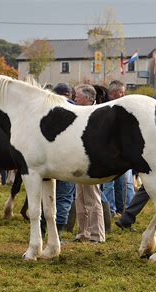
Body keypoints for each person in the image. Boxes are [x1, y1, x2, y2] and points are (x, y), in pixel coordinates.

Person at [115, 77, 156, 230]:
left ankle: (128, 217)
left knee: (151, 185)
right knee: (155, 184)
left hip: (154, 150)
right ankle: (130, 217)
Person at [41, 83, 76, 239]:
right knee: (64, 197)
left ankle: (42, 231)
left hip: (47, 160)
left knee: (45, 196)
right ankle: (59, 232)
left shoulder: (44, 109)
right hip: (68, 160)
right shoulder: (74, 108)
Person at [73, 84, 105, 243]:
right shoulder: (78, 111)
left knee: (92, 198)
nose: (74, 99)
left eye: (77, 97)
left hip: (92, 161)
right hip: (78, 160)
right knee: (79, 199)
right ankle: (82, 233)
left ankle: (97, 235)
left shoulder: (98, 112)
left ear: (87, 98)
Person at [101, 80, 135, 217]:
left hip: (124, 151)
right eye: (121, 92)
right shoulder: (104, 108)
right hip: (109, 151)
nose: (123, 94)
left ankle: (128, 210)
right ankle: (111, 210)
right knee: (109, 183)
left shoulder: (126, 107)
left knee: (126, 183)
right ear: (113, 93)